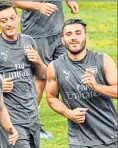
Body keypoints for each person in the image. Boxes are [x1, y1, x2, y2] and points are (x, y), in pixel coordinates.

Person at [0, 1, 47, 148]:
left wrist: (38, 61)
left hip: (32, 116)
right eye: (3, 21)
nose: (9, 24)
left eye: (12, 18)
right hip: (10, 120)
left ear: (18, 18)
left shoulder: (28, 41)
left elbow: (42, 76)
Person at [46, 18, 118, 148]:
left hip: (110, 138)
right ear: (63, 40)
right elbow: (51, 98)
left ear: (86, 37)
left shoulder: (103, 60)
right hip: (78, 141)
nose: (73, 38)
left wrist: (97, 87)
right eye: (69, 34)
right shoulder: (54, 67)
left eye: (78, 33)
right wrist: (68, 113)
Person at [13, 1, 79, 138]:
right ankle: (31, 124)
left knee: (67, 70)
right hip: (37, 33)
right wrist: (38, 6)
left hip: (58, 30)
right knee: (40, 77)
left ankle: (78, 117)